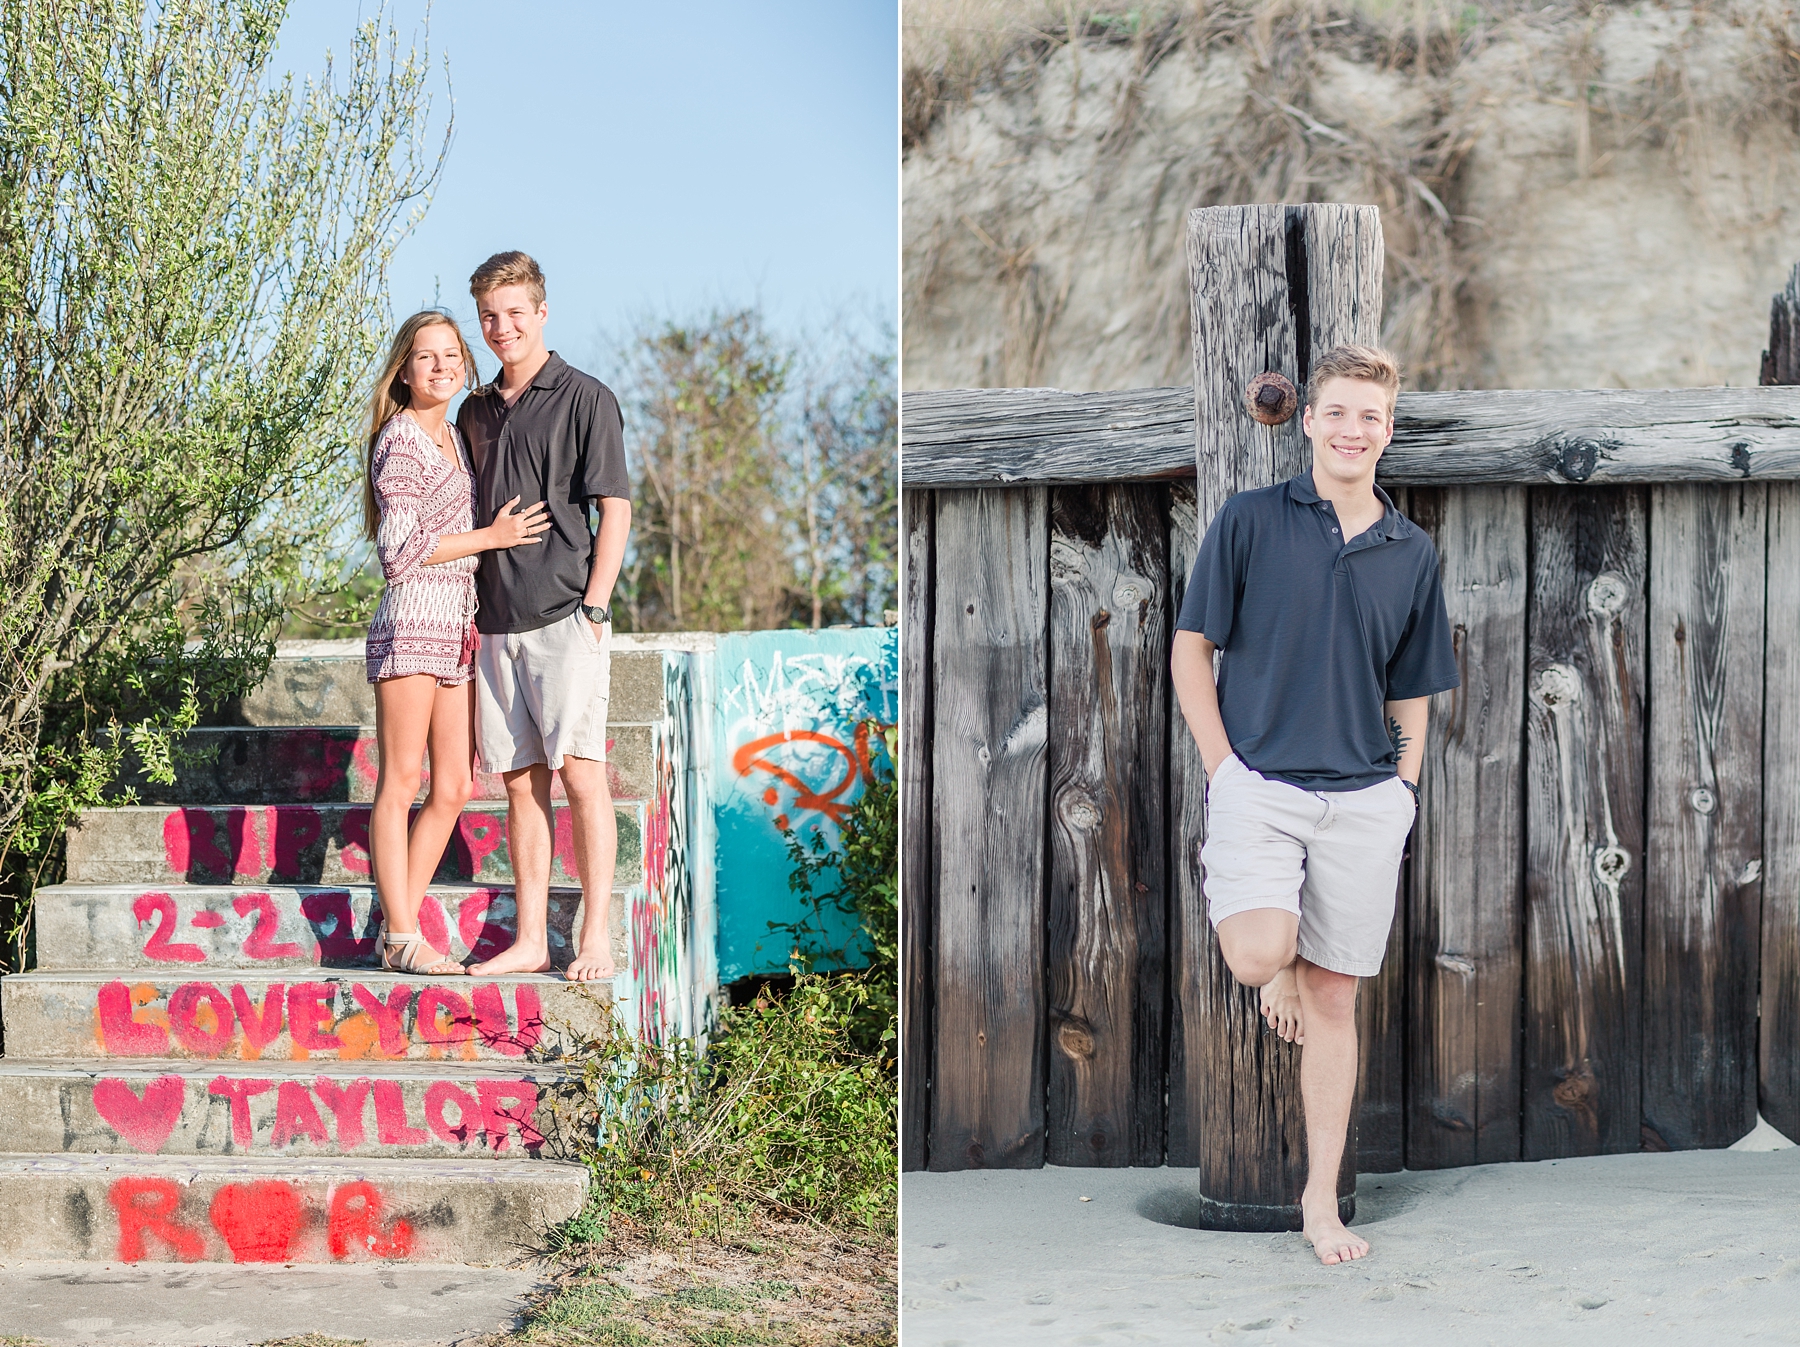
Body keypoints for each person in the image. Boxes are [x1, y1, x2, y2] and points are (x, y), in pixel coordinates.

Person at [1169, 344, 1459, 1266]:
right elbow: (1191, 650)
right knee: (1259, 953)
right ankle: (1283, 963)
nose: (1353, 430)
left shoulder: (1410, 551)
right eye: (1337, 412)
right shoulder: (1252, 520)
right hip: (1262, 788)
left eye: (1370, 417)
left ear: (1386, 429)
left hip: (1365, 801)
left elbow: (1412, 689)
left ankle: (1320, 1203)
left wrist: (1402, 790)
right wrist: (1225, 770)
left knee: (1338, 998)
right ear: (1308, 421)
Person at [455, 252, 632, 983]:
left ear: (542, 311)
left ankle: (595, 935)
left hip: (565, 615)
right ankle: (530, 938)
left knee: (583, 779)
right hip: (494, 623)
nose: (502, 327)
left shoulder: (587, 397)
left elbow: (613, 507)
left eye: (514, 312)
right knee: (521, 785)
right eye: (490, 315)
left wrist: (595, 605)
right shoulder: (471, 410)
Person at [363, 310, 551, 975]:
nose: (440, 366)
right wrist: (492, 538)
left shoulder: (453, 440)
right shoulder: (401, 440)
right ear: (404, 371)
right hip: (413, 622)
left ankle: (396, 927)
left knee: (454, 788)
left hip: (457, 630)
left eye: (450, 355)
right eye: (425, 357)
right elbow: (400, 551)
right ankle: (406, 936)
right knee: (401, 782)